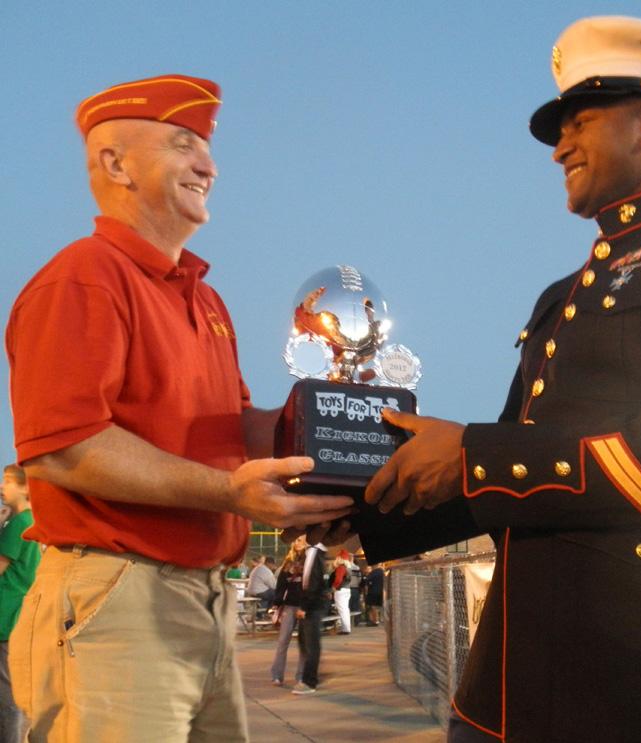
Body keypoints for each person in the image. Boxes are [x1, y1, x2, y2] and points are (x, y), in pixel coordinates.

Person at [362, 16, 641, 743]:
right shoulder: (560, 296)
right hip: (512, 684)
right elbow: (498, 470)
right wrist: (364, 504)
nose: (560, 145)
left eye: (581, 120)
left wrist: (469, 453)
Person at [4, 73, 354, 742]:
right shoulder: (83, 278)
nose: (209, 165)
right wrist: (230, 492)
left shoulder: (204, 298)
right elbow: (64, 446)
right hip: (118, 596)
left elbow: (239, 426)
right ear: (114, 164)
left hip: (203, 596)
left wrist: (336, 427)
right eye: (182, 144)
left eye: (207, 149)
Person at [0, 465, 40, 743]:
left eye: (8, 481)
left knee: (6, 694)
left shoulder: (18, 525)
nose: (3, 486)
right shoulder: (32, 522)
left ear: (26, 488)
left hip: (4, 613)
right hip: (17, 613)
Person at [292, 542, 329, 694]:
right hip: (313, 605)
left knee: (310, 644)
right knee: (305, 642)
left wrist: (304, 607)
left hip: (312, 606)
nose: (297, 541)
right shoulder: (313, 555)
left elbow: (311, 583)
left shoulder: (314, 555)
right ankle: (307, 676)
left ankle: (309, 681)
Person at [270, 540, 307, 686]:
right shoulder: (287, 563)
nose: (298, 543)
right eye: (296, 540)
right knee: (283, 641)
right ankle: (277, 675)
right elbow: (281, 585)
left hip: (304, 606)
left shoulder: (310, 560)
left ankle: (301, 676)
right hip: (290, 605)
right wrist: (276, 603)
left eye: (301, 540)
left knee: (303, 643)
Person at [330, 549, 353, 634]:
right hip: (347, 589)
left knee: (342, 610)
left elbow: (338, 579)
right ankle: (347, 628)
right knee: (345, 610)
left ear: (339, 558)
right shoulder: (348, 568)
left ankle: (345, 629)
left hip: (340, 590)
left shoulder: (341, 567)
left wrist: (334, 587)